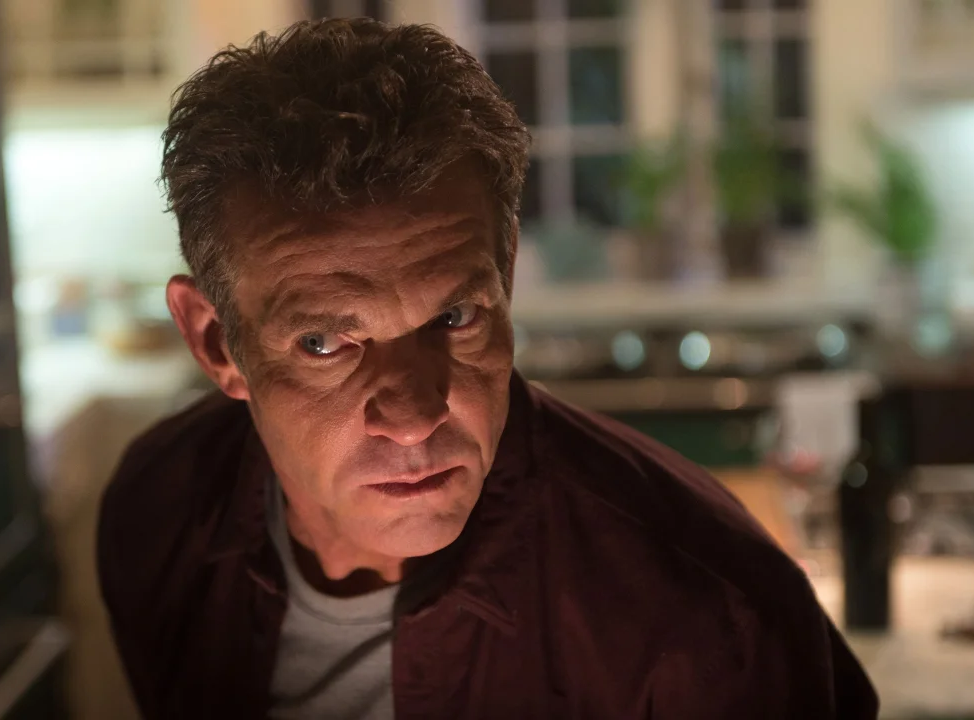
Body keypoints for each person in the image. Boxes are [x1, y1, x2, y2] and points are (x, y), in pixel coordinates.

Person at [97, 18, 878, 719]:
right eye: (325, 344)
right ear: (215, 342)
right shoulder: (160, 510)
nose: (414, 417)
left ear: (504, 273)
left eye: (454, 318)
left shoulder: (708, 615)